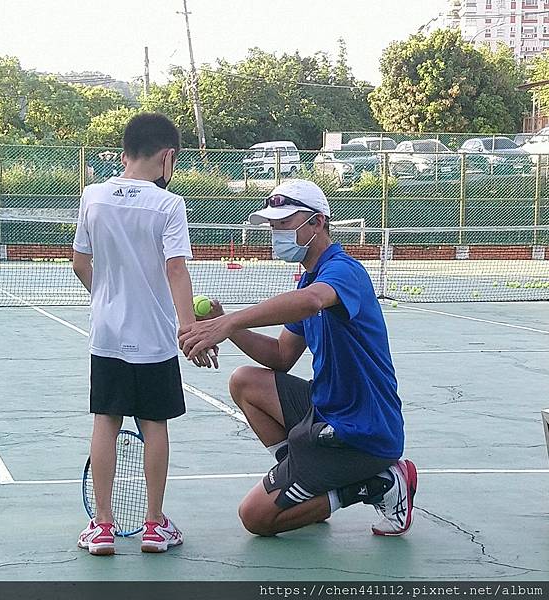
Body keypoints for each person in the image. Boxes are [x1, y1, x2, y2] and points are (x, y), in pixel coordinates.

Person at [178, 179, 416, 537]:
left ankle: (379, 483)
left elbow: (314, 302)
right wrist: (224, 325)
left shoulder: (342, 272)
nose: (277, 234)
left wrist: (229, 323)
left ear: (317, 223)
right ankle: (303, 483)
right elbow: (280, 355)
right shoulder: (308, 281)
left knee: (255, 517)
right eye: (273, 226)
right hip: (327, 410)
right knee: (245, 381)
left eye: (285, 224)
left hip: (364, 432)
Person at [73, 112, 216, 556]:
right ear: (168, 156)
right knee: (155, 425)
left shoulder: (92, 196)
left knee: (105, 421)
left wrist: (106, 300)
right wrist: (189, 328)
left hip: (107, 336)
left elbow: (80, 262)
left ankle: (101, 528)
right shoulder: (169, 206)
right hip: (154, 338)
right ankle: (155, 526)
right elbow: (175, 268)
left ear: (124, 153)